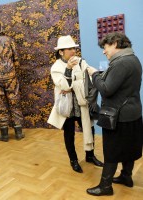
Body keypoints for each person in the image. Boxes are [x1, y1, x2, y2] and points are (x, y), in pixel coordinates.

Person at [86, 32, 143, 196]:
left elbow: (106, 89)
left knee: (111, 150)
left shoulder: (121, 63)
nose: (104, 51)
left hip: (119, 116)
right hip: (133, 112)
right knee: (129, 147)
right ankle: (126, 176)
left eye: (105, 47)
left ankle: (105, 187)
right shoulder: (133, 59)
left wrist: (94, 74)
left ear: (116, 43)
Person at [47, 35, 103, 173]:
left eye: (74, 48)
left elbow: (90, 74)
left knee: (90, 128)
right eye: (70, 49)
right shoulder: (56, 67)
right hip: (68, 106)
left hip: (81, 104)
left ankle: (90, 155)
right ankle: (74, 160)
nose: (73, 51)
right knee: (69, 133)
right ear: (61, 51)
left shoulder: (80, 62)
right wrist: (68, 69)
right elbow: (64, 85)